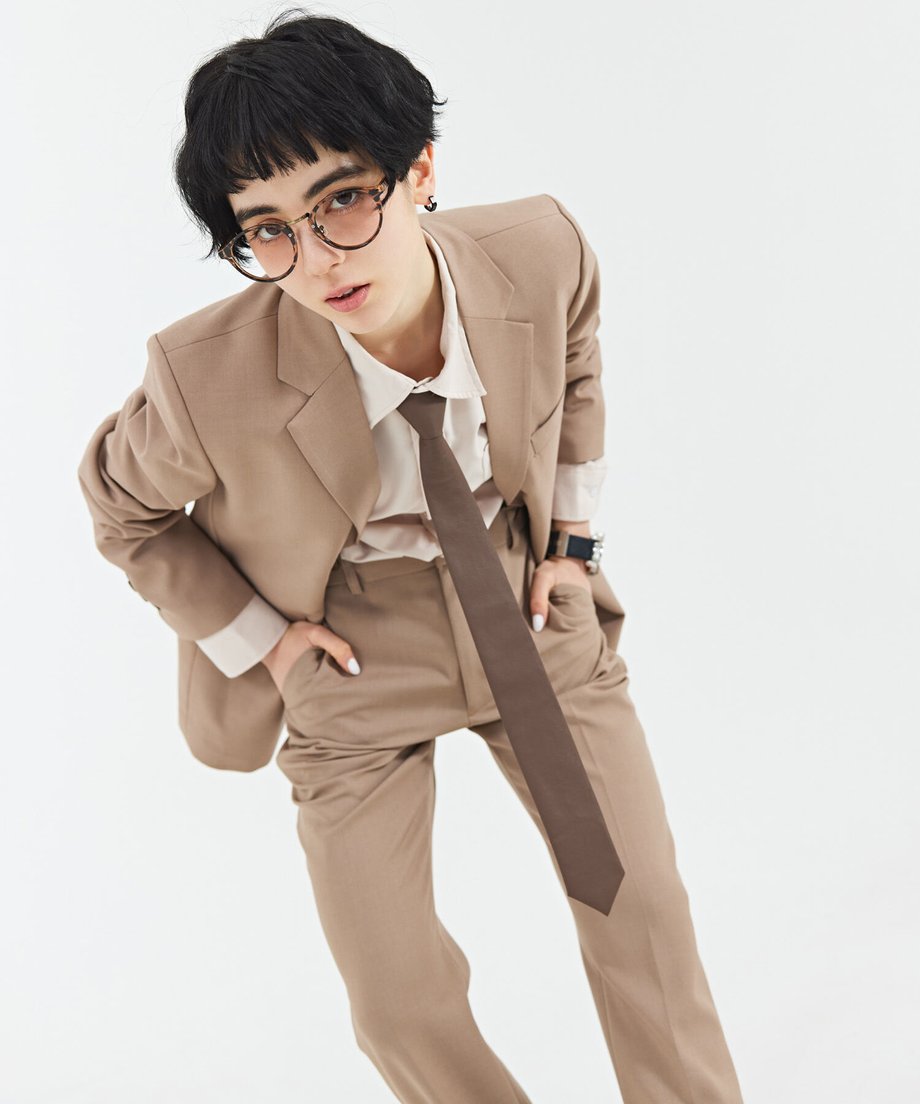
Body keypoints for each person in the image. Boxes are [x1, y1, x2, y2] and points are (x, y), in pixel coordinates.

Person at [77, 9, 745, 1102]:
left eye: (343, 199)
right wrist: (261, 639)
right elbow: (120, 507)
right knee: (396, 1001)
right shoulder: (204, 376)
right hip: (351, 648)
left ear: (419, 171)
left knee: (639, 910)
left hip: (525, 603)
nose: (316, 259)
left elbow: (576, 357)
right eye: (269, 229)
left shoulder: (538, 251)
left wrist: (571, 543)